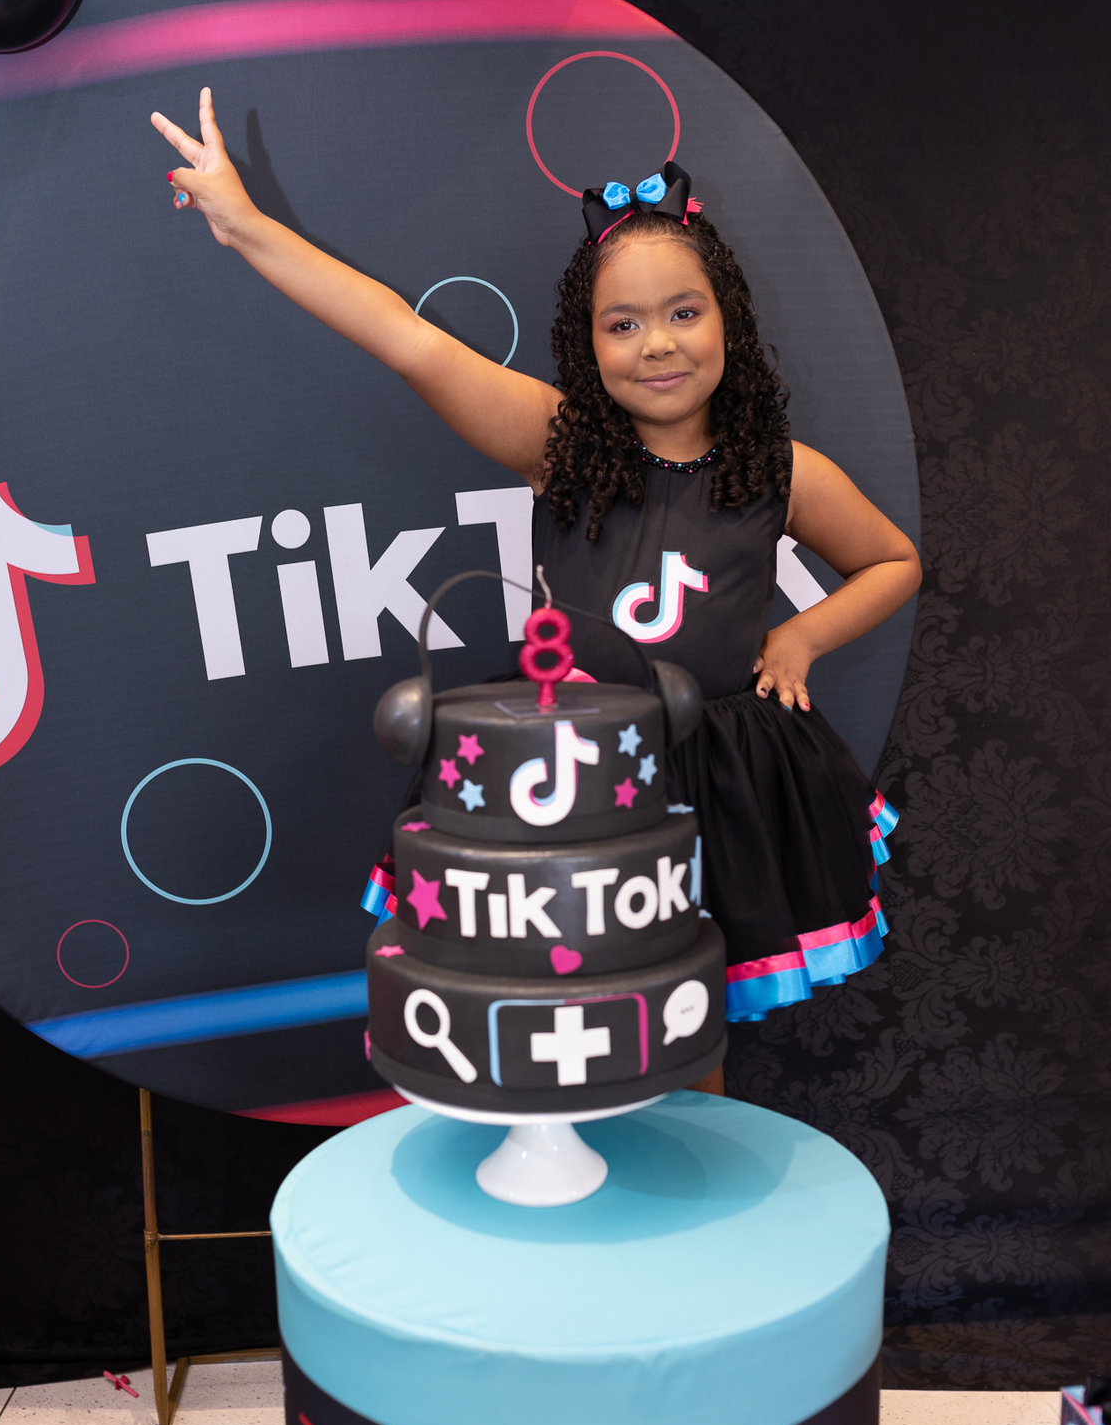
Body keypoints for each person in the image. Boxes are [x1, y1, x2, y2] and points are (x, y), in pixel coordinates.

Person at [151, 91, 921, 1083]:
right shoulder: (559, 445)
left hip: (712, 780)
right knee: (559, 1011)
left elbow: (892, 560)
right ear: (586, 342)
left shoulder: (784, 470)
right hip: (563, 773)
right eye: (623, 323)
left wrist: (802, 635)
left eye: (684, 314)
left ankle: (687, 1161)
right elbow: (407, 339)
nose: (658, 344)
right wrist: (245, 223)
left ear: (728, 318)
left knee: (689, 1011)